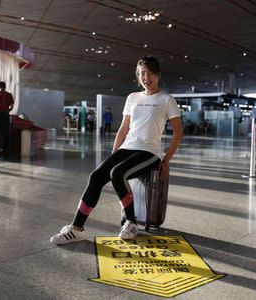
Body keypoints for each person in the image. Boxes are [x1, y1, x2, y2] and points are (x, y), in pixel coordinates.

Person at [50, 56, 183, 244]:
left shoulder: (166, 99)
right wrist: (114, 153)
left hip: (149, 152)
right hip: (127, 147)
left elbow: (178, 133)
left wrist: (166, 161)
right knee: (97, 176)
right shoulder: (132, 98)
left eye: (150, 73)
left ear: (158, 75)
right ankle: (77, 228)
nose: (146, 77)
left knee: (117, 173)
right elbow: (123, 128)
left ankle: (131, 222)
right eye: (142, 73)